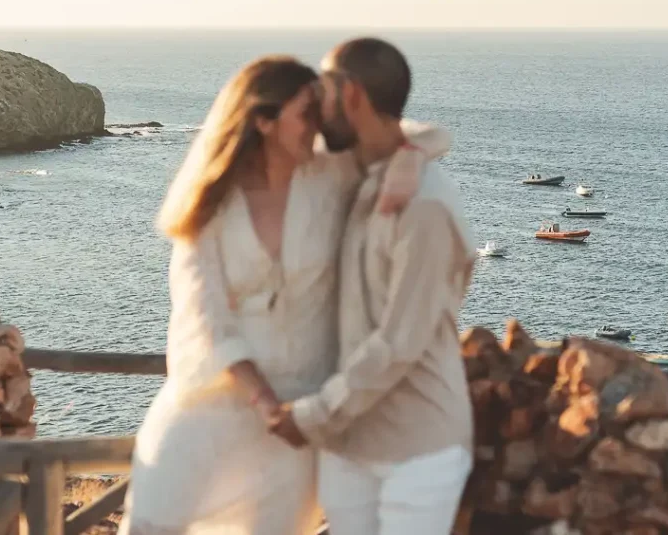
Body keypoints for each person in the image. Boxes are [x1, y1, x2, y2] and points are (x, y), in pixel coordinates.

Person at [118, 55, 450, 535]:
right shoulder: (209, 203)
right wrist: (263, 401)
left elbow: (435, 137)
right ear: (263, 120)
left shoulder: (331, 175)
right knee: (148, 526)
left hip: (295, 419)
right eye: (306, 114)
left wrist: (407, 159)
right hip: (208, 405)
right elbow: (204, 312)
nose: (318, 127)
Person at [269, 38, 476, 535]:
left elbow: (399, 344)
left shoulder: (424, 208)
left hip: (416, 449)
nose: (316, 103)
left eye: (324, 89)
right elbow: (421, 131)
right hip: (348, 447)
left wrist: (312, 416)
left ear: (352, 94)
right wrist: (416, 149)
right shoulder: (352, 170)